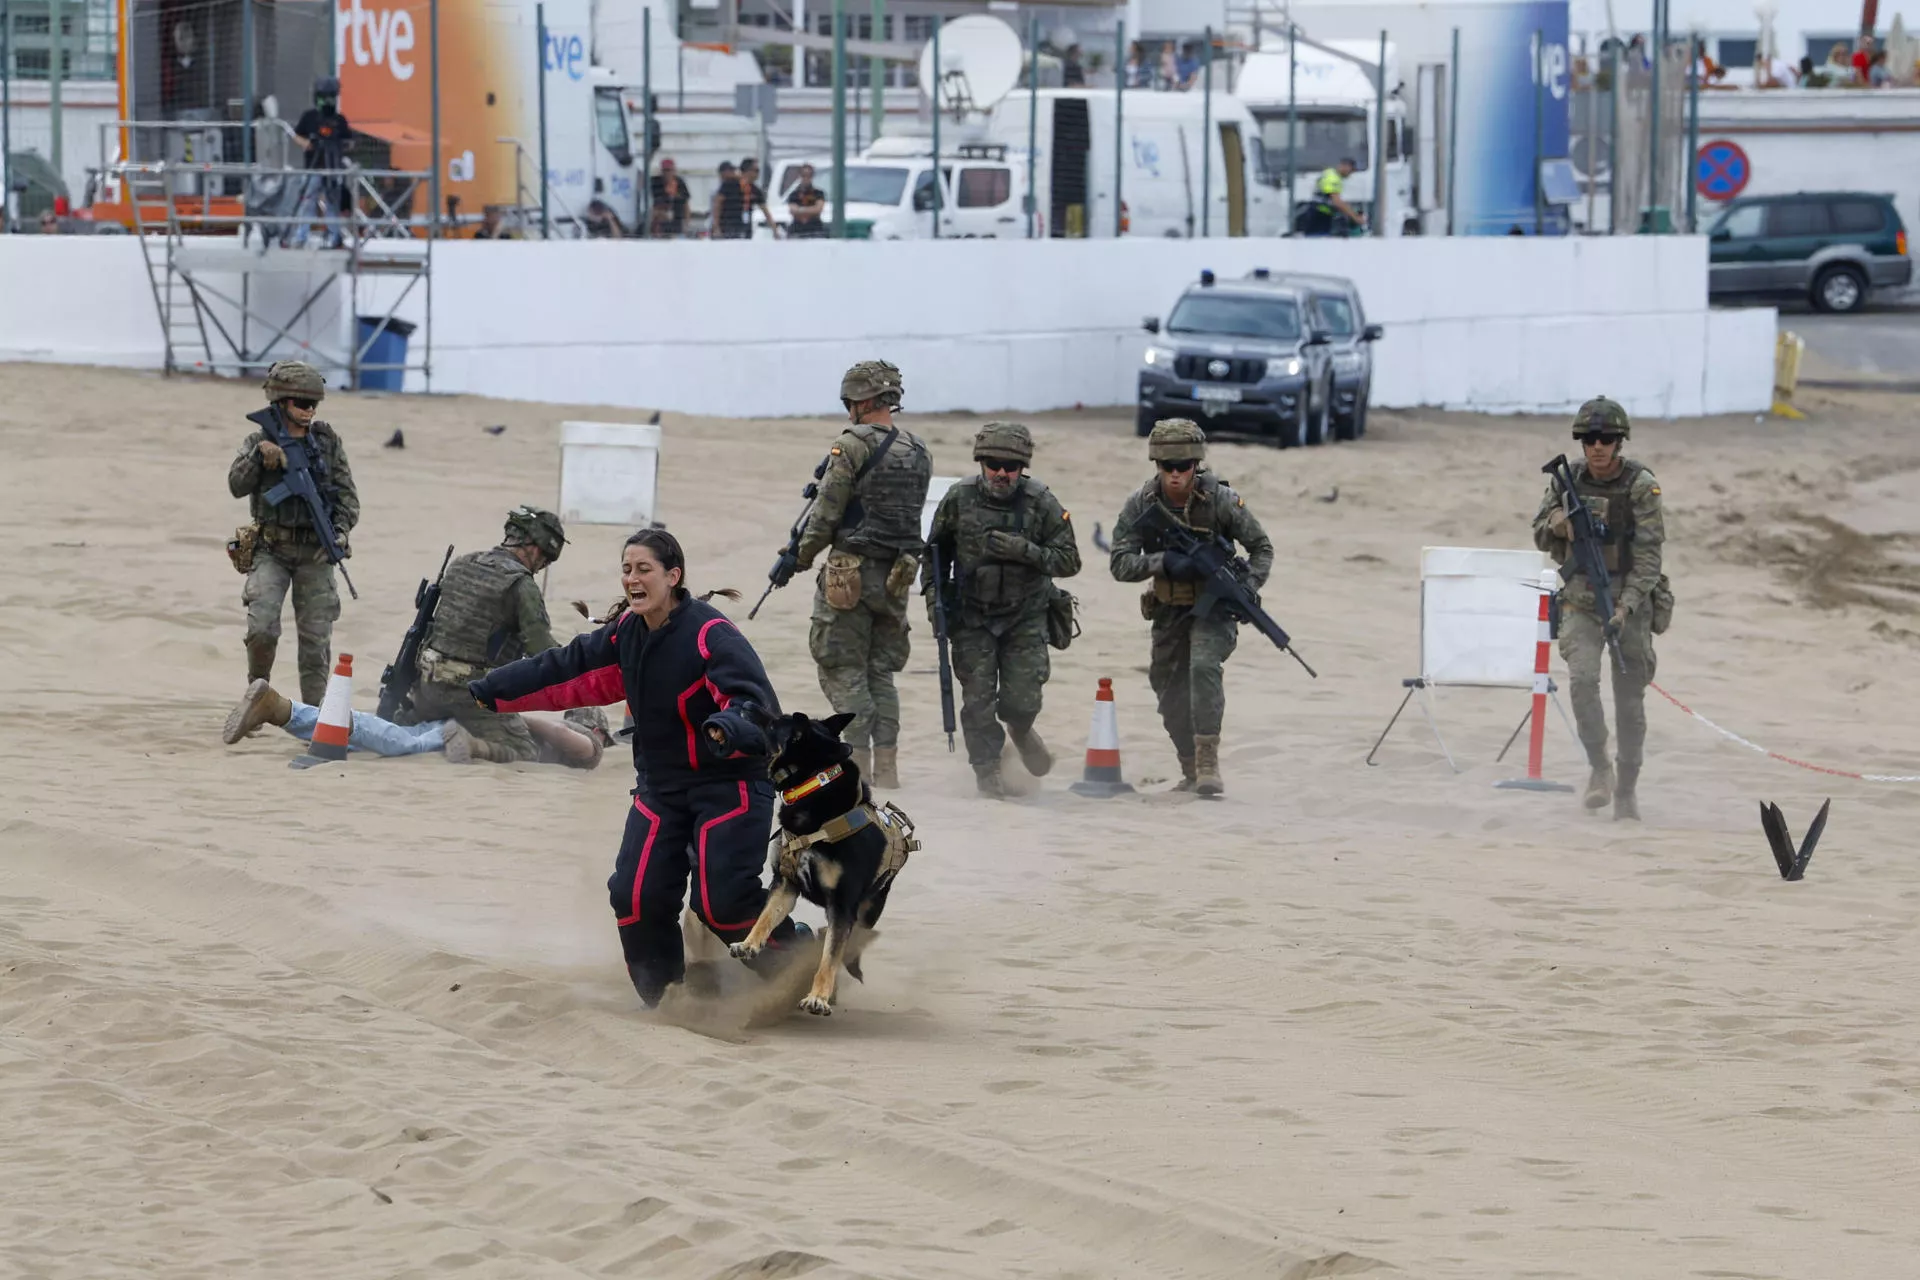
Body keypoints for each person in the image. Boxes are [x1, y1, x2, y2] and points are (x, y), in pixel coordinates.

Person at [469, 529, 805, 1008]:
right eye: (627, 570)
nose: (632, 579)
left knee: (721, 903)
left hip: (729, 786)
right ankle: (668, 999)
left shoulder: (710, 632)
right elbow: (566, 669)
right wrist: (494, 689)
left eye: (643, 569)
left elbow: (754, 703)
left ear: (673, 576)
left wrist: (729, 726)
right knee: (634, 897)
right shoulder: (625, 634)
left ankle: (801, 968)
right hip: (662, 790)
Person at [1108, 420, 1273, 797]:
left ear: (1196, 465)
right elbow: (1120, 562)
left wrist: (1244, 588)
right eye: (1168, 467)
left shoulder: (1221, 501)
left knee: (1202, 668)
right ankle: (1189, 765)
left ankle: (1207, 762)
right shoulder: (1142, 504)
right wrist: (1161, 562)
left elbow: (1262, 548)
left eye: (1184, 466)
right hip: (1169, 609)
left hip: (1213, 608)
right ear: (1157, 465)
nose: (1177, 474)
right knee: (1166, 688)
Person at [792, 360, 934, 789]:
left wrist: (797, 559)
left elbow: (826, 514)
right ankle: (886, 769)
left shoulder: (851, 445)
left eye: (850, 401)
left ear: (865, 401)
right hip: (895, 578)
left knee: (842, 667)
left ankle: (856, 769)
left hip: (848, 577)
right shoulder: (918, 450)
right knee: (879, 675)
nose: (848, 409)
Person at [923, 422, 1081, 798]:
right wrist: (936, 603)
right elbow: (932, 556)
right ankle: (988, 771)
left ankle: (1022, 731)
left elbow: (1069, 561)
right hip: (972, 616)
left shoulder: (1040, 501)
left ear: (1022, 468)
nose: (1001, 473)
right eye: (993, 464)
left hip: (1024, 616)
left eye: (1010, 466)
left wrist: (1024, 551)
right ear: (981, 463)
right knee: (977, 700)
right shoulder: (958, 499)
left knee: (1021, 701)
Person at [379, 506, 599, 766]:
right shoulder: (520, 585)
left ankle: (416, 722)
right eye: (546, 560)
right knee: (523, 751)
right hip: (475, 696)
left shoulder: (460, 564)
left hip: (428, 688)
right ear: (536, 549)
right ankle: (476, 746)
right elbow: (543, 652)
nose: (542, 567)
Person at [1532, 397, 1666, 820]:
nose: (1597, 447)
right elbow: (1538, 531)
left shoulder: (1641, 485)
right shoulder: (1565, 479)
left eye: (1607, 439)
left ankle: (1626, 787)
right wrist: (1557, 522)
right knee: (1583, 683)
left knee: (1630, 702)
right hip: (1581, 599)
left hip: (1629, 602)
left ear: (1619, 442)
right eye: (1589, 439)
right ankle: (1599, 769)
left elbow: (1649, 559)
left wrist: (1625, 608)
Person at [228, 360, 359, 706]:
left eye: (314, 404)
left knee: (316, 642)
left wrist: (341, 532)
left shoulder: (326, 444)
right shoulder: (260, 439)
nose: (310, 410)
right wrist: (259, 457)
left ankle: (315, 716)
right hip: (272, 549)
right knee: (261, 629)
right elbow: (236, 486)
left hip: (315, 553)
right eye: (302, 404)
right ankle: (257, 694)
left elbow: (348, 498)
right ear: (282, 402)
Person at [289, 76, 352, 248]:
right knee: (308, 202)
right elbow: (296, 135)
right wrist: (308, 144)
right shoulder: (309, 117)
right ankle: (301, 236)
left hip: (332, 169)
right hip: (313, 168)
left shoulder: (340, 120)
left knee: (332, 203)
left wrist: (338, 146)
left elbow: (349, 141)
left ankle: (334, 236)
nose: (328, 102)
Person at [1304, 158, 1364, 236]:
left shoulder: (1330, 173)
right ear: (1345, 166)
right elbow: (1337, 202)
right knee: (1317, 241)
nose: (1351, 174)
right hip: (1319, 215)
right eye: (1351, 170)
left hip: (1320, 213)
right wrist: (1355, 217)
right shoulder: (1333, 178)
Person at [648, 158, 690, 237]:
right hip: (659, 221)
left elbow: (686, 204)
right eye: (665, 170)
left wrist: (687, 222)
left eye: (669, 170)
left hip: (676, 221)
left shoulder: (680, 183)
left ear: (674, 171)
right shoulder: (654, 182)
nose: (667, 173)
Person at [786, 163, 827, 238]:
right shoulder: (793, 195)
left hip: (815, 230)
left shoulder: (818, 193)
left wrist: (800, 210)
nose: (806, 179)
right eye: (804, 175)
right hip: (797, 230)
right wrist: (811, 210)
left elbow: (818, 209)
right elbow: (793, 210)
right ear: (800, 176)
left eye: (809, 176)